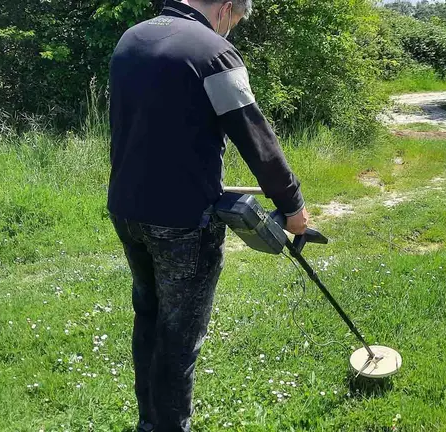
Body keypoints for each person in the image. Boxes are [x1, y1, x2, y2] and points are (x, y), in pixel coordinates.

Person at [107, 0, 308, 430]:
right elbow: (255, 137)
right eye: (235, 21)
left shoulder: (131, 39)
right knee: (178, 339)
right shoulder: (212, 52)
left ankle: (150, 422)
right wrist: (292, 206)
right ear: (227, 7)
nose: (231, 30)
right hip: (182, 223)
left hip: (127, 210)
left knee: (149, 319)